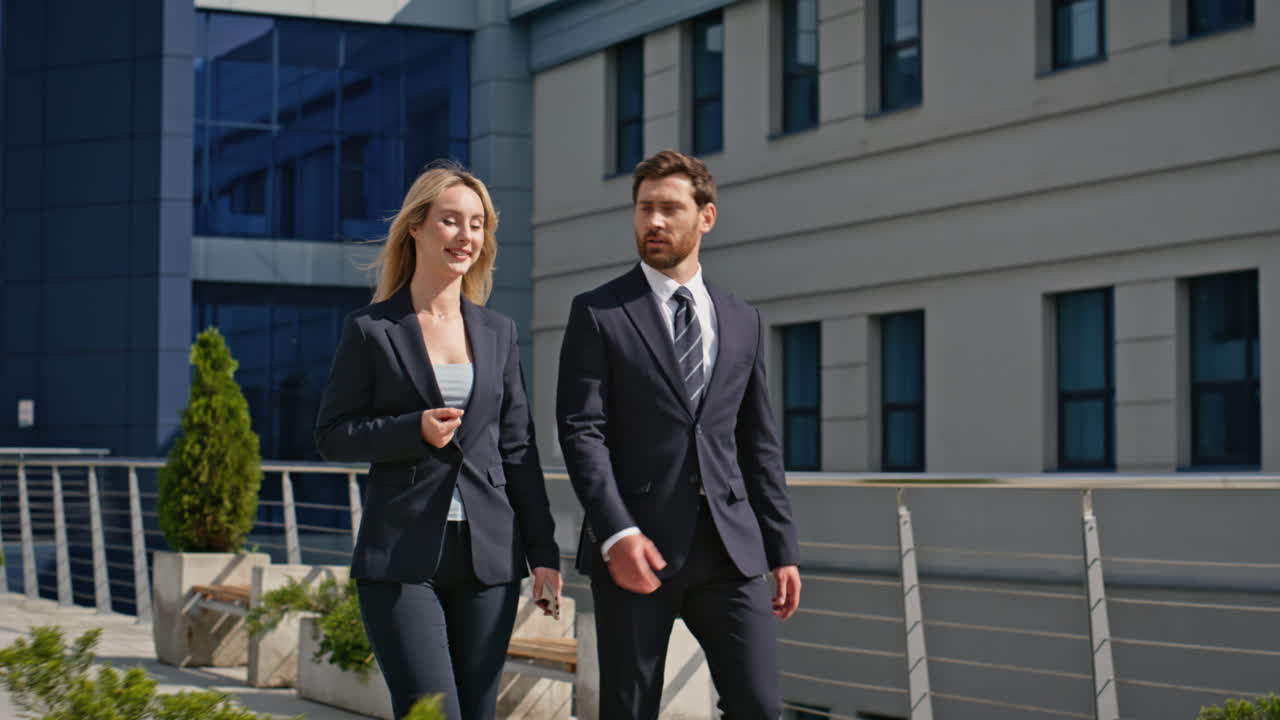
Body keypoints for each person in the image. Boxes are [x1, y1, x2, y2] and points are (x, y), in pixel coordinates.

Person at [556, 149, 802, 719]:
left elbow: (757, 442)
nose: (654, 222)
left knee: (760, 704)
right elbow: (581, 431)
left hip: (730, 547)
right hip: (636, 547)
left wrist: (782, 545)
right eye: (644, 209)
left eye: (670, 208)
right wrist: (616, 533)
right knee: (629, 707)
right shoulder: (599, 312)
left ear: (706, 217)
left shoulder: (743, 318)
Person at [316, 162, 561, 720]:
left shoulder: (498, 331)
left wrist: (543, 554)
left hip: (489, 558)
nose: (466, 236)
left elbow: (518, 448)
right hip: (401, 556)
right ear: (417, 228)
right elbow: (332, 437)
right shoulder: (372, 329)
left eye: (477, 225)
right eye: (451, 221)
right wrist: (412, 431)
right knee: (432, 712)